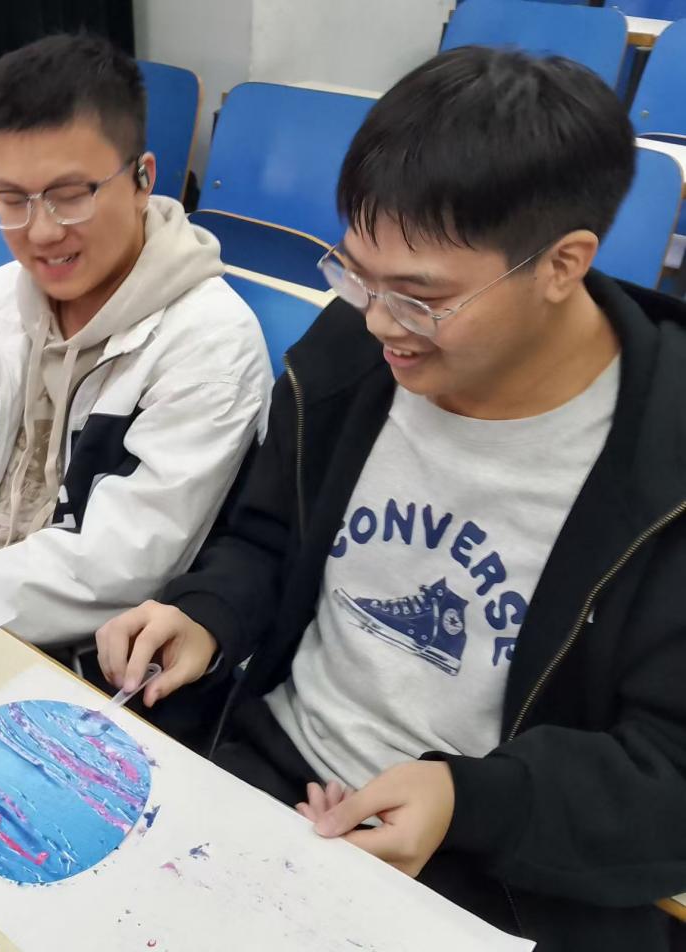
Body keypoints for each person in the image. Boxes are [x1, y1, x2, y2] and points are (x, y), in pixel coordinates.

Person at [96, 47, 686, 951]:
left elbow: (667, 768)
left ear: (561, 264)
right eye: (355, 272)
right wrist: (208, 612)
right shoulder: (354, 356)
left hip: (496, 874)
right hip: (268, 774)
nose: (375, 320)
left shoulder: (661, 465)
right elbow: (267, 540)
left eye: (419, 297)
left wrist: (467, 800)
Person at [0, 34, 271, 655]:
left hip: (79, 660)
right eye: (11, 200)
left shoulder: (210, 346)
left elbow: (121, 564)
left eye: (69, 197)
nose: (40, 232)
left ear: (142, 179)